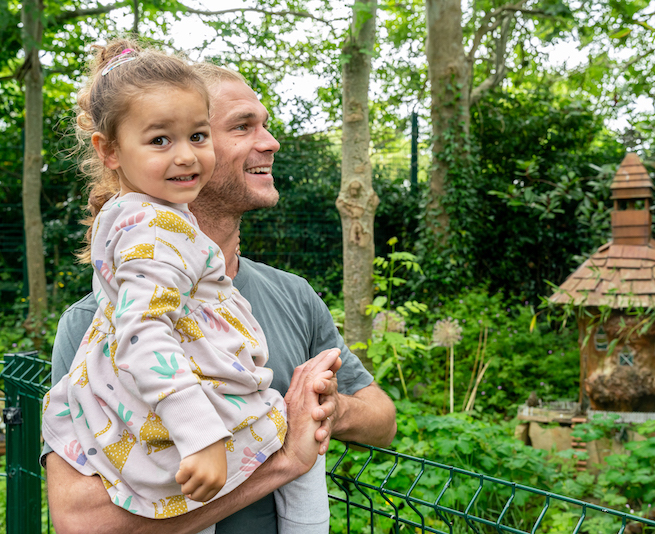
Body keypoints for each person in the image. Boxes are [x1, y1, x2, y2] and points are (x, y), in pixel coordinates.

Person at [42, 48, 397, 534]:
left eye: (199, 136)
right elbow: (81, 523)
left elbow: (383, 420)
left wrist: (325, 409)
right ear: (119, 149)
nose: (270, 142)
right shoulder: (91, 324)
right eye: (243, 126)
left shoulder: (289, 294)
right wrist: (283, 457)